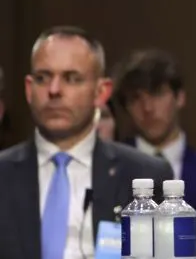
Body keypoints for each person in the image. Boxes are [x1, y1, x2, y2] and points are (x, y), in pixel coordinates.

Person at [0, 26, 173, 259]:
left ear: (101, 92)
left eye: (72, 78)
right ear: (29, 90)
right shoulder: (4, 174)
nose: (54, 90)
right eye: (43, 78)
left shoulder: (144, 176)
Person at [114, 48, 196, 259]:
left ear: (180, 97)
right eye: (136, 98)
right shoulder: (108, 170)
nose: (147, 108)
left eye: (157, 94)